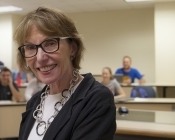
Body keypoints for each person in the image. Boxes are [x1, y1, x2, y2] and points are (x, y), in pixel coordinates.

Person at [15, 6, 116, 140]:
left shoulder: (96, 99)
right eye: (31, 47)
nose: (40, 57)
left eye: (50, 43)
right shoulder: (35, 102)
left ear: (72, 48)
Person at [0, 68, 23, 140]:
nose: (5, 77)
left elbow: (18, 99)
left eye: (7, 75)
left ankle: (11, 135)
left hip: (7, 107)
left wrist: (10, 85)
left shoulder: (13, 84)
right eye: (3, 75)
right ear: (0, 76)